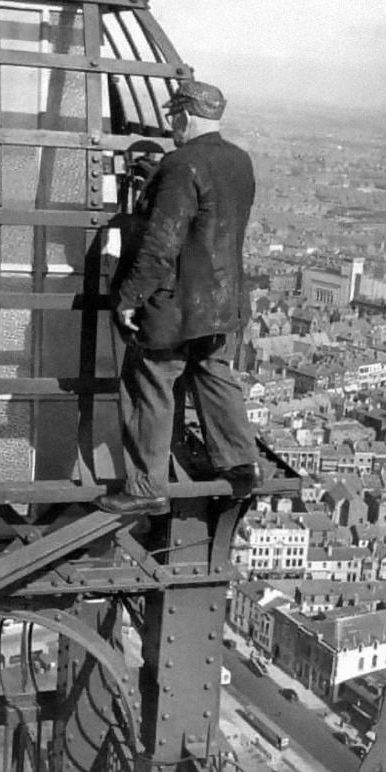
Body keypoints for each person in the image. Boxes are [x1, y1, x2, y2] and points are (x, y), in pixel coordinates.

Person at [95, 81, 260, 515]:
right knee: (214, 374)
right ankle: (241, 466)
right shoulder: (240, 161)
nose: (173, 126)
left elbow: (161, 243)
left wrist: (129, 297)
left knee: (149, 383)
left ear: (185, 116)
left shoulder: (181, 164)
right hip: (224, 302)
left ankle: (146, 487)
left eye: (173, 118)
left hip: (175, 305)